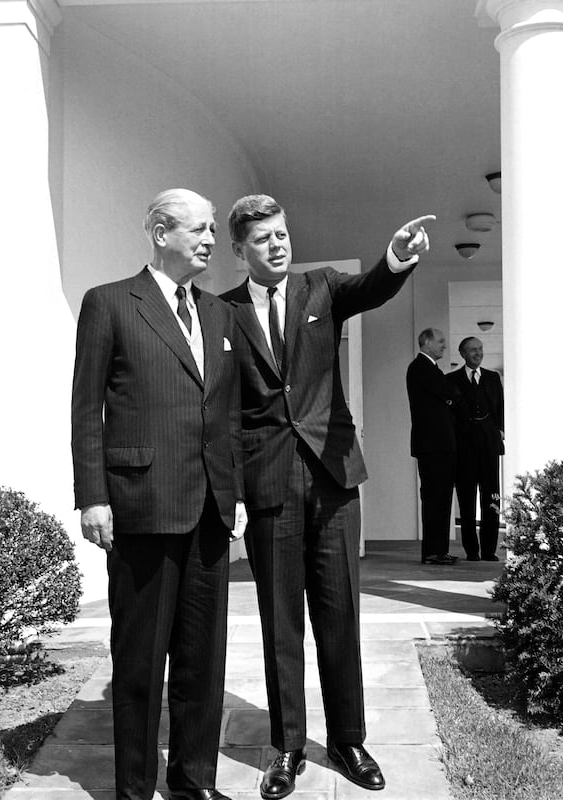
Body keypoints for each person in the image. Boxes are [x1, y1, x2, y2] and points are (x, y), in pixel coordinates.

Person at [221, 194, 434, 799]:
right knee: (280, 622)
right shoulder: (224, 313)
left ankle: (348, 739)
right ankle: (287, 746)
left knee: (340, 615)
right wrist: (232, 490)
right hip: (268, 485)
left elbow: (370, 288)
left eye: (283, 234)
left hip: (335, 480)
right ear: (241, 249)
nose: (278, 245)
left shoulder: (322, 289)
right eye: (263, 239)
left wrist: (396, 259)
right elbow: (224, 411)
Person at [71, 188, 247, 800]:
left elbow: (224, 415)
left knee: (203, 660)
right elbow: (85, 406)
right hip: (141, 507)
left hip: (210, 512)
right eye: (197, 230)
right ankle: (134, 789)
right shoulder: (110, 303)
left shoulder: (220, 314)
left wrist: (237, 494)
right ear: (159, 231)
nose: (208, 242)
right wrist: (92, 495)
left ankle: (194, 780)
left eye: (210, 233)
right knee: (142, 662)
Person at [446, 336, 504, 562]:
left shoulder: (492, 378)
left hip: (489, 448)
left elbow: (501, 407)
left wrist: (500, 430)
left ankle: (489, 550)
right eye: (472, 350)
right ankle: (472, 551)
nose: (478, 353)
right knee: (466, 501)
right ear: (463, 354)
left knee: (492, 499)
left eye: (480, 349)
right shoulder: (451, 380)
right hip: (464, 451)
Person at [406, 328, 458, 565]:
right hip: (432, 445)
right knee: (435, 497)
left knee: (442, 497)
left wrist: (448, 397)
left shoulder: (431, 369)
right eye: (440, 341)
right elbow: (447, 392)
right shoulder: (420, 367)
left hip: (439, 445)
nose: (444, 346)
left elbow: (447, 395)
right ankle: (432, 552)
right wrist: (448, 397)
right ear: (426, 343)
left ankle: (439, 550)